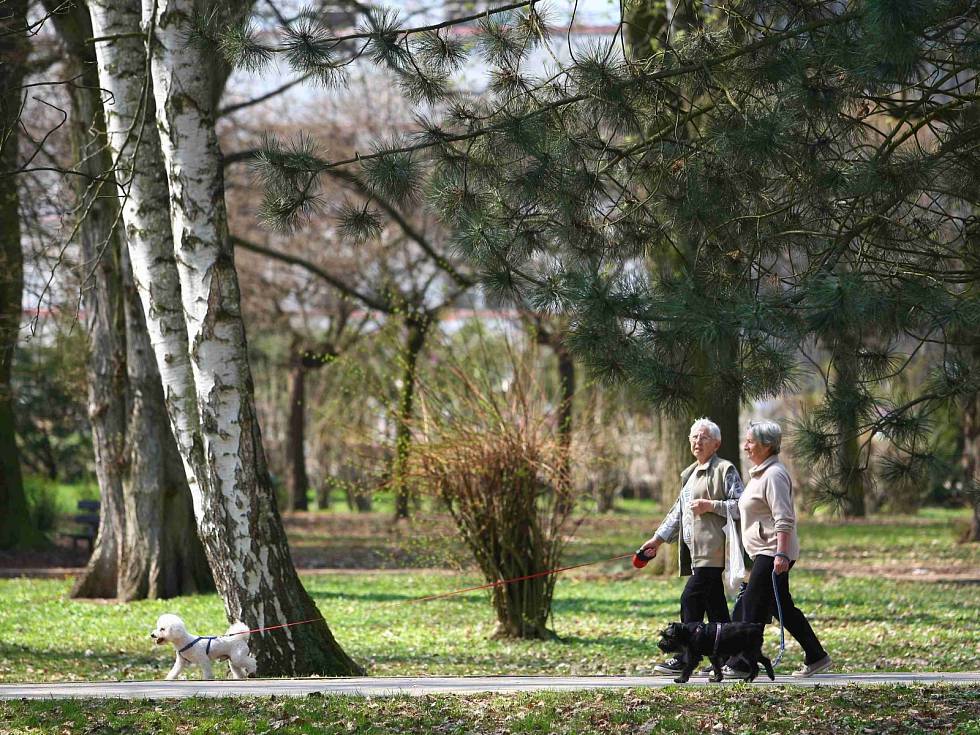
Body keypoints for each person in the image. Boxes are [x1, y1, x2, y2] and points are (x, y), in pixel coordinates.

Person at [722, 420, 832, 679]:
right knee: (780, 605)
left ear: (767, 445)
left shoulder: (774, 475)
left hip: (772, 550)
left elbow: (784, 517)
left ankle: (742, 663)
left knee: (750, 603)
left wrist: (781, 553)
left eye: (750, 442)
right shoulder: (760, 473)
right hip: (765, 549)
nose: (745, 446)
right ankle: (816, 655)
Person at [639, 417, 744, 677]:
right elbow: (677, 513)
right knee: (716, 607)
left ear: (717, 443)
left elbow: (742, 505)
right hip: (695, 553)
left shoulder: (725, 469)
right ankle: (730, 656)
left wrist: (712, 506)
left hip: (715, 551)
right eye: (694, 437)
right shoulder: (689, 473)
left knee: (690, 598)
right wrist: (657, 540)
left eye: (704, 437)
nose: (698, 441)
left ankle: (687, 656)